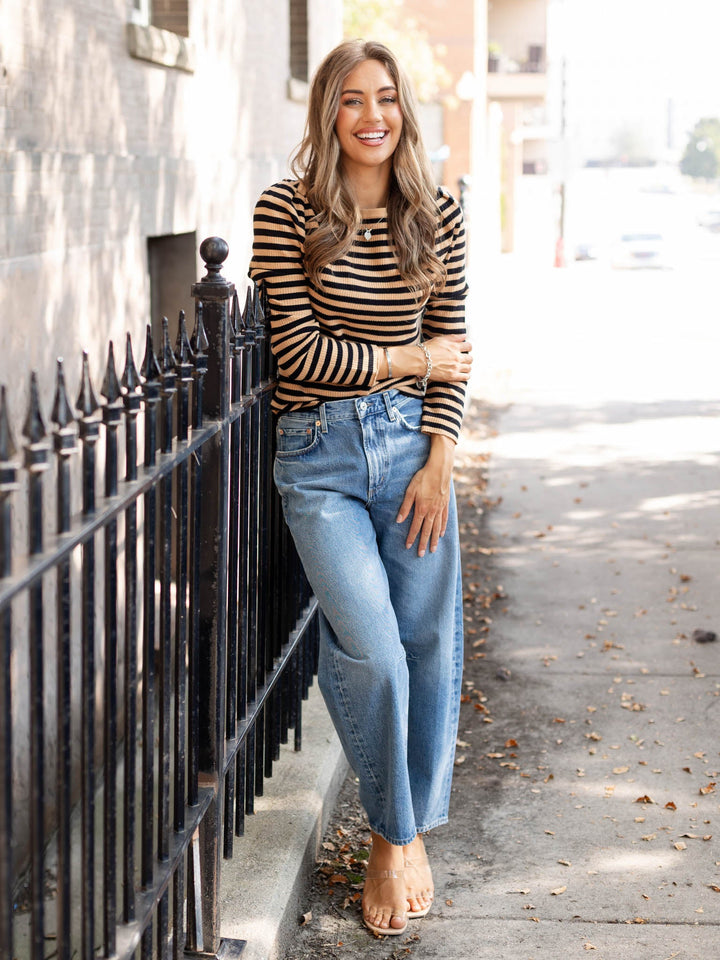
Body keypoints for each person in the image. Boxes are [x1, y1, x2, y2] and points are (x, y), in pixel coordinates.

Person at [249, 38, 472, 937]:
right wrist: (413, 357)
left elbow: (460, 346)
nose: (372, 116)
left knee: (427, 647)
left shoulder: (438, 214)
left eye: (386, 98)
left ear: (404, 112)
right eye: (351, 99)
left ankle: (396, 837)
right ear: (326, 113)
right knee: (373, 649)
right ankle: (397, 829)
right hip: (320, 459)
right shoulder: (285, 210)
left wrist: (440, 458)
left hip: (413, 449)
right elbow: (299, 355)